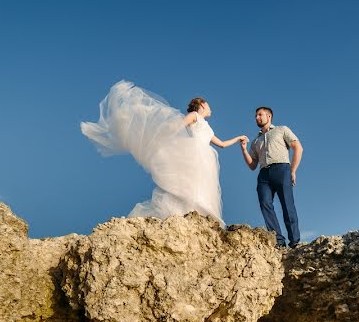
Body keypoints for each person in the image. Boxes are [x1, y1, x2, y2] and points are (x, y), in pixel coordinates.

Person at [81, 80, 246, 225]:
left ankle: (201, 213)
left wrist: (238, 138)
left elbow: (222, 144)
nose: (210, 108)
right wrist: (163, 135)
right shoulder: (195, 115)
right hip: (194, 152)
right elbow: (179, 125)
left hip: (206, 155)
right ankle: (186, 212)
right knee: (189, 182)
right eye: (208, 104)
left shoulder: (208, 127)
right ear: (202, 104)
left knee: (202, 183)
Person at [239, 107, 303, 247]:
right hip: (263, 174)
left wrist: (293, 170)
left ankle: (294, 242)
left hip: (282, 169)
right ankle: (278, 241)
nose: (257, 117)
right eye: (256, 116)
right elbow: (252, 165)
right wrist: (244, 149)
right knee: (264, 203)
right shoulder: (256, 141)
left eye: (260, 115)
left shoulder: (282, 130)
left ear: (269, 116)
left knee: (287, 205)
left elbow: (298, 147)